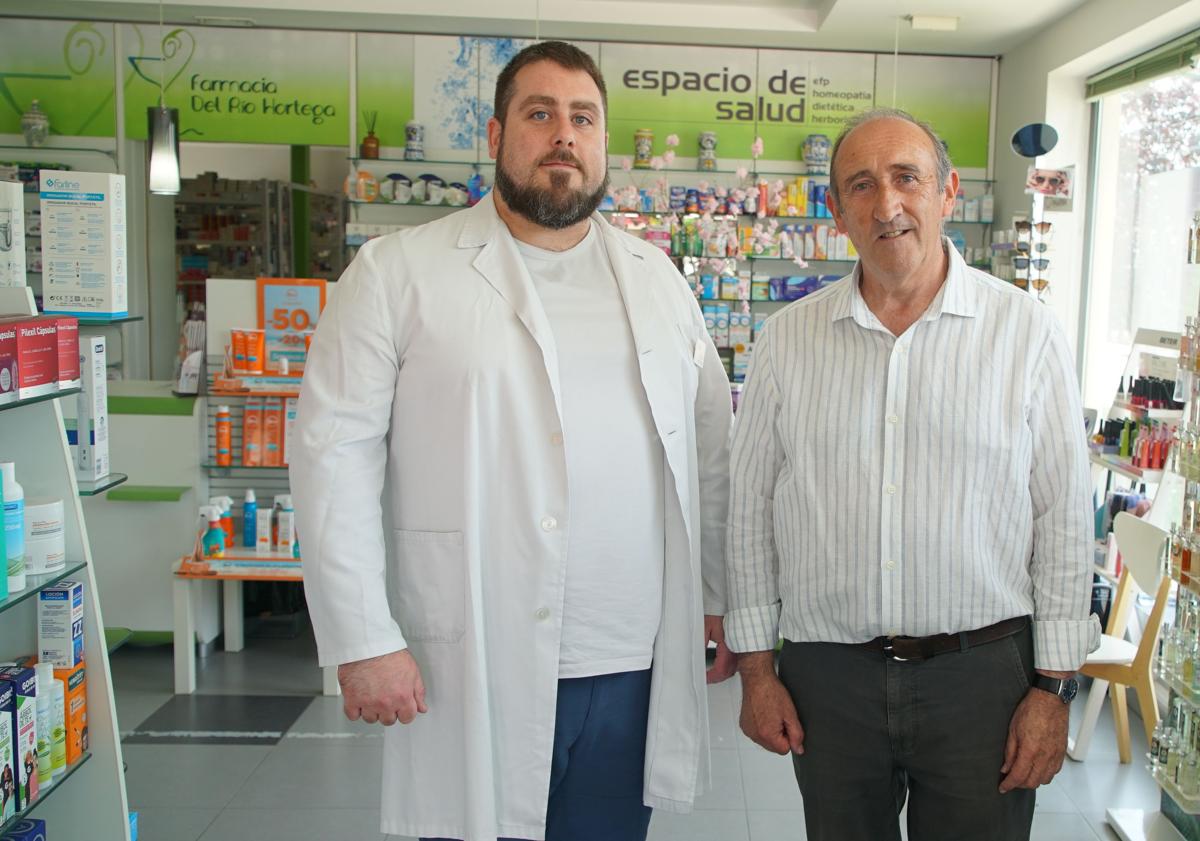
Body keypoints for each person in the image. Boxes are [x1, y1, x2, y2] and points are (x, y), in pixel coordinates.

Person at [290, 40, 734, 841]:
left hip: (631, 661)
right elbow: (332, 458)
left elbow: (707, 454)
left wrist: (715, 597)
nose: (563, 134)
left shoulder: (657, 278)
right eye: (540, 113)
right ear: (495, 137)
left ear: (602, 143)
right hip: (470, 657)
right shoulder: (399, 272)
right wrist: (362, 638)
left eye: (583, 118)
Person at [724, 108, 1100, 841]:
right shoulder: (787, 342)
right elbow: (749, 511)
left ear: (948, 191)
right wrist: (756, 671)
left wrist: (1054, 689)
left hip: (981, 676)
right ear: (836, 210)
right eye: (861, 185)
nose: (886, 204)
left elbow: (1060, 516)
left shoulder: (1025, 333)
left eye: (906, 178)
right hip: (829, 677)